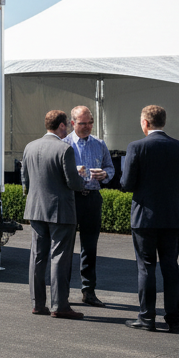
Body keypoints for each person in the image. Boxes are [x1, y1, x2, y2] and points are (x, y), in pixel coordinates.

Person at [122, 105, 179, 333]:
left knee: (146, 268)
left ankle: (147, 318)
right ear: (164, 121)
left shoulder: (136, 147)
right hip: (172, 216)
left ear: (145, 123)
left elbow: (126, 184)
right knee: (171, 268)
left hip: (145, 217)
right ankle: (173, 319)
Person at [21, 109, 87, 319]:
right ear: (61, 125)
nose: (67, 128)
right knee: (59, 257)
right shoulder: (64, 149)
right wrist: (81, 176)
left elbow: (25, 181)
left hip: (35, 209)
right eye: (66, 124)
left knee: (37, 257)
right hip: (60, 211)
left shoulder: (30, 147)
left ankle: (38, 304)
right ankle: (59, 305)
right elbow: (73, 183)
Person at [64, 105, 115, 308]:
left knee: (90, 247)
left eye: (90, 123)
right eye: (83, 123)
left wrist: (105, 175)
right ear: (72, 123)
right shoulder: (64, 144)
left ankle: (88, 291)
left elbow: (110, 167)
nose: (87, 127)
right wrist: (73, 171)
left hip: (92, 197)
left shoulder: (99, 144)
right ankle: (62, 291)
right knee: (65, 247)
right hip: (71, 198)